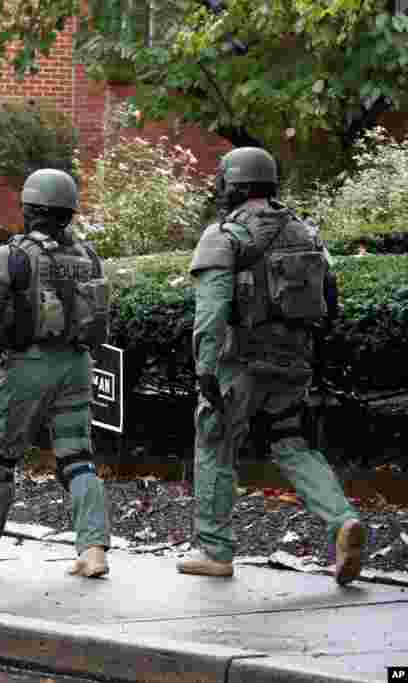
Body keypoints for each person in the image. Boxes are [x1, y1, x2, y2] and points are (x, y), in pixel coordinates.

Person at [179, 146, 365, 585]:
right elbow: (330, 301)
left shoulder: (225, 235)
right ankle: (341, 520)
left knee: (215, 442)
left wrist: (205, 368)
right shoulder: (306, 232)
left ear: (234, 185)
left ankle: (214, 549)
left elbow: (211, 311)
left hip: (238, 362)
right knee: (291, 441)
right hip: (294, 359)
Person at [0, 168, 113, 577]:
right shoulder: (88, 257)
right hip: (76, 364)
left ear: (29, 209)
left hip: (27, 367)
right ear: (69, 213)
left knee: (0, 457)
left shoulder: (11, 256)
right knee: (77, 455)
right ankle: (93, 549)